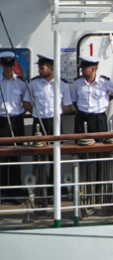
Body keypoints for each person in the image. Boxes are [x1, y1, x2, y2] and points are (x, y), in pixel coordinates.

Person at [25, 54, 73, 201]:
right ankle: (41, 190)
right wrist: (36, 112)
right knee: (39, 157)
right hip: (38, 122)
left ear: (51, 68)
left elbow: (68, 106)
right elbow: (26, 102)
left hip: (55, 123)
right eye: (39, 68)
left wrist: (56, 113)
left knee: (55, 157)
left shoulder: (62, 85)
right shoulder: (34, 84)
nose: (39, 71)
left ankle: (54, 190)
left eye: (42, 68)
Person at [0, 51, 28, 202]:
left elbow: (25, 102)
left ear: (14, 65)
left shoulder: (21, 83)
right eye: (6, 65)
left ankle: (16, 191)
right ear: (2, 65)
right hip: (1, 121)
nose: (8, 68)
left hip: (17, 121)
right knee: (2, 158)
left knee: (16, 157)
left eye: (11, 65)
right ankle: (3, 192)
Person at [71, 56, 113, 136]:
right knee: (81, 144)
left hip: (98, 119)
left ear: (93, 69)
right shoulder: (77, 83)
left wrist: (107, 98)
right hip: (81, 118)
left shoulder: (104, 81)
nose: (81, 70)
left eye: (84, 68)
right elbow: (74, 100)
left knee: (100, 145)